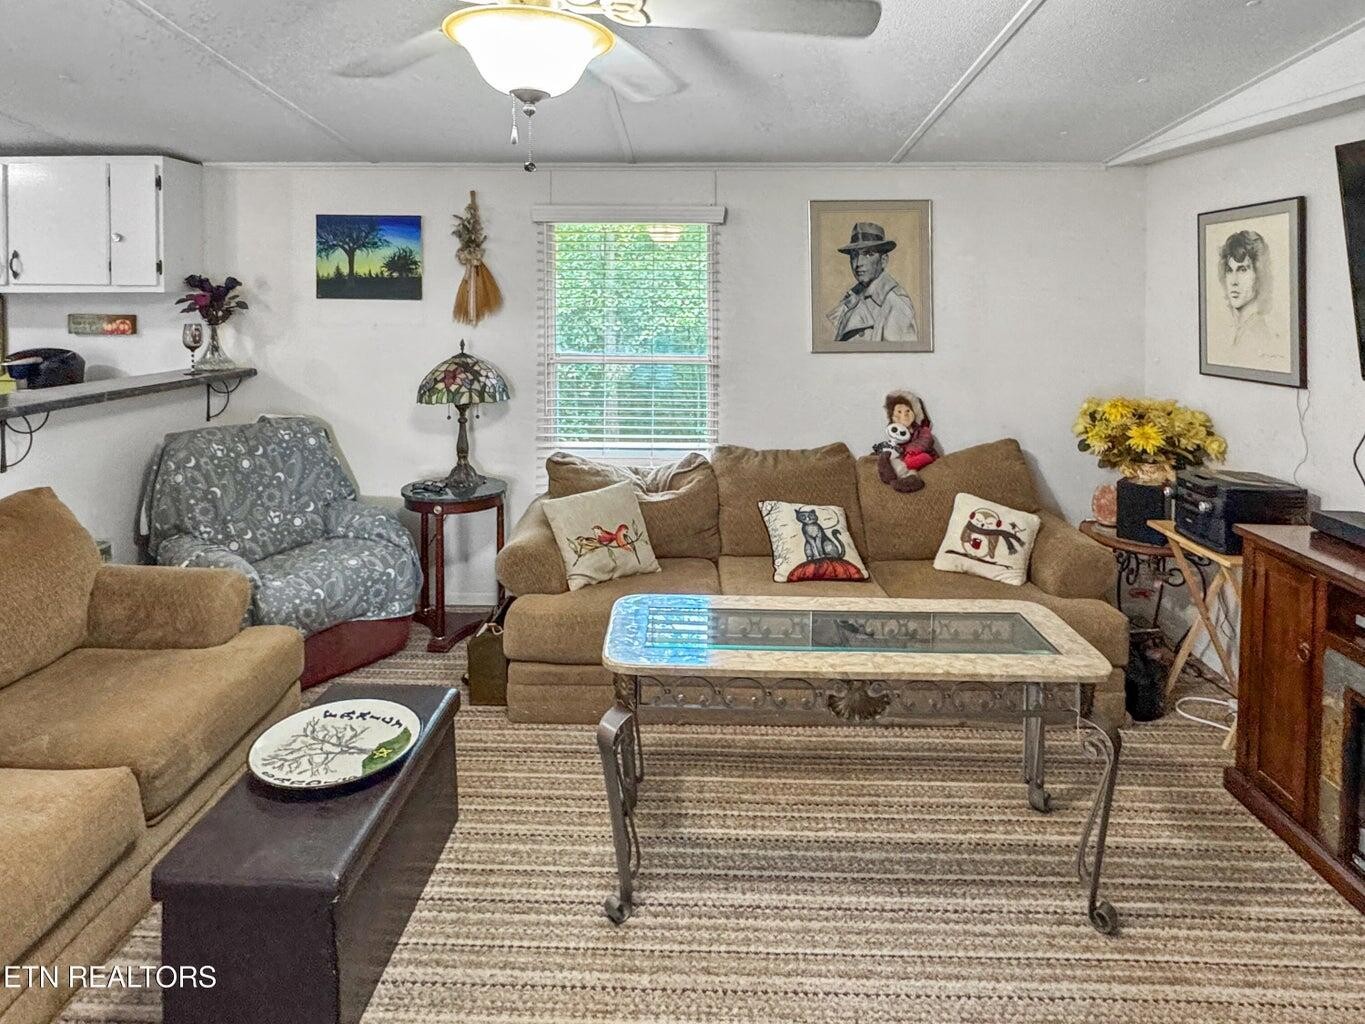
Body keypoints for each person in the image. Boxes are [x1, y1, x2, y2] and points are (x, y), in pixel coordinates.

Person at [826, 222, 918, 344]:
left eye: (868, 254)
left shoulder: (895, 303)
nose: (858, 263)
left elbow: (901, 358)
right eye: (854, 255)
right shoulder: (853, 297)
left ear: (883, 260)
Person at [1216, 229, 1282, 366]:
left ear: (1258, 274)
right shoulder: (1236, 331)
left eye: (1242, 270)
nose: (1234, 281)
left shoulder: (1258, 335)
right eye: (1229, 270)